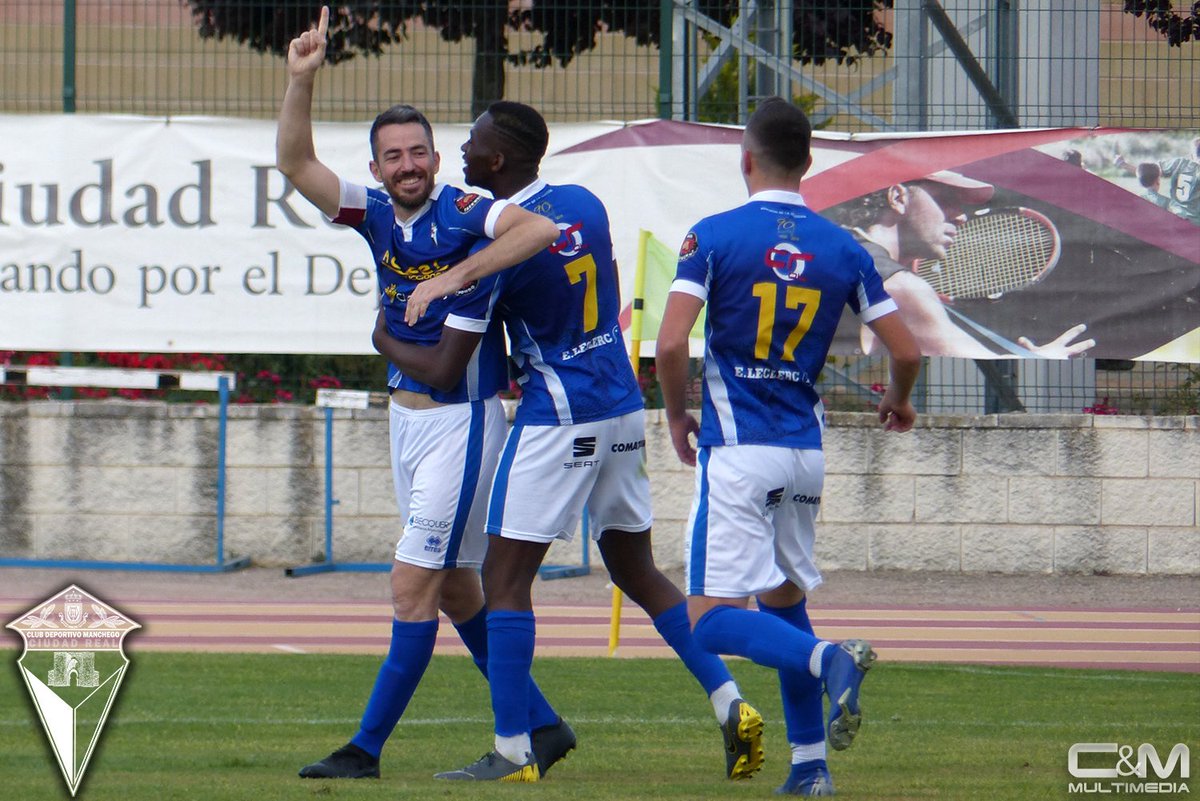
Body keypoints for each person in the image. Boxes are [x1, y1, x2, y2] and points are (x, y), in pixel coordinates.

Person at [391, 101, 762, 783]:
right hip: (622, 404)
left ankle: (512, 749)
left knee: (501, 584)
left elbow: (454, 360)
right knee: (637, 571)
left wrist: (409, 314)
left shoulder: (487, 256)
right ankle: (728, 700)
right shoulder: (583, 202)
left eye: (473, 145)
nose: (464, 155)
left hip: (559, 413)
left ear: (497, 160)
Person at [276, 7, 572, 781]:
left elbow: (537, 230)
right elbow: (296, 164)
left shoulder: (464, 210)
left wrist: (455, 273)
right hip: (407, 425)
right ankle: (542, 724)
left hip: (465, 420)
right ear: (375, 169)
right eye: (392, 156)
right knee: (453, 590)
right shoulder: (373, 213)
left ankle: (364, 750)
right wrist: (300, 80)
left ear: (437, 158)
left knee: (412, 584)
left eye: (417, 152)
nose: (407, 165)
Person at [654, 97, 921, 798]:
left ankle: (831, 659)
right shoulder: (842, 247)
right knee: (782, 602)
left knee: (709, 622)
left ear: (746, 159)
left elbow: (673, 341)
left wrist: (678, 414)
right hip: (805, 454)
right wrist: (897, 398)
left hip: (741, 451)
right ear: (808, 164)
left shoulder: (713, 234)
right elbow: (907, 349)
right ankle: (811, 769)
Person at [831, 171, 1095, 359]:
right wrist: (1043, 358)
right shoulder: (901, 287)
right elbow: (972, 356)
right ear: (898, 197)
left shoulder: (838, 248)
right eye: (946, 199)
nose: (960, 217)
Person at [1116, 138, 1200, 225]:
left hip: (1176, 216)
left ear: (1192, 155)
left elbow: (1148, 172)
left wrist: (1124, 165)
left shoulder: (1180, 163)